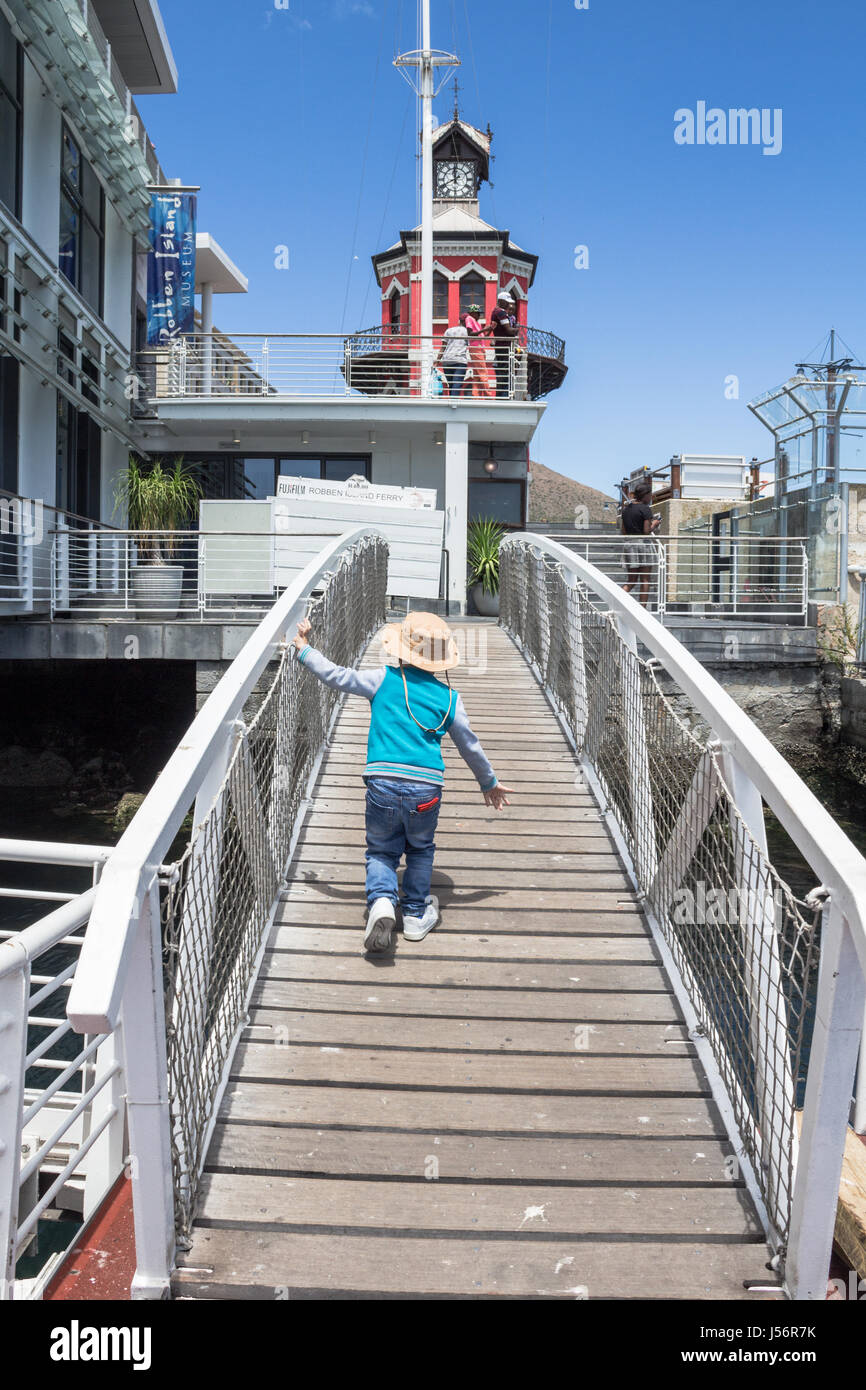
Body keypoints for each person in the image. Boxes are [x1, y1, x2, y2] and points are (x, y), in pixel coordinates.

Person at [293, 611, 514, 954]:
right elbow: (470, 745)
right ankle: (413, 914)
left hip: (381, 786)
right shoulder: (450, 700)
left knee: (382, 850)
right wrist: (489, 783)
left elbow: (337, 676)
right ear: (441, 660)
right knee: (421, 849)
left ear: (400, 650)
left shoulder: (382, 679)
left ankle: (381, 904)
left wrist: (305, 649)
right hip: (426, 791)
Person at [621, 478, 660, 607]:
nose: (650, 497)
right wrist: (654, 523)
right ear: (645, 495)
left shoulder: (626, 510)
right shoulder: (645, 509)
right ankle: (642, 611)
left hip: (629, 545)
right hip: (643, 545)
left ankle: (616, 601)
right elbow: (646, 531)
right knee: (645, 580)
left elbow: (624, 531)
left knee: (631, 581)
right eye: (650, 495)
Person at [488, 290, 518, 398]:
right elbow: (509, 330)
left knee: (503, 371)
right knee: (505, 372)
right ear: (501, 301)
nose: (507, 305)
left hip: (501, 345)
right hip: (504, 345)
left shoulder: (494, 312)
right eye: (506, 302)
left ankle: (501, 395)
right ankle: (503, 395)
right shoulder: (500, 312)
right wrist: (516, 330)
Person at [464, 303, 492, 398]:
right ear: (472, 313)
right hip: (476, 348)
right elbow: (470, 333)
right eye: (477, 313)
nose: (479, 315)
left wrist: (490, 329)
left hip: (479, 348)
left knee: (477, 374)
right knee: (483, 372)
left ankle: (476, 395)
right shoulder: (469, 319)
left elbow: (483, 336)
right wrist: (484, 330)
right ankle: (488, 395)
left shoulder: (477, 323)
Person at [436, 318, 469, 397]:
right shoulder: (468, 331)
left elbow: (443, 347)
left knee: (451, 385)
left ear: (459, 322)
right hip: (459, 360)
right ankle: (454, 405)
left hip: (447, 360)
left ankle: (451, 403)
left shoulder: (449, 330)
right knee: (457, 384)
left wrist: (437, 361)